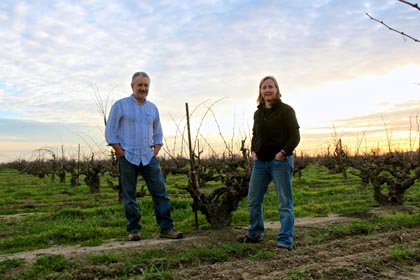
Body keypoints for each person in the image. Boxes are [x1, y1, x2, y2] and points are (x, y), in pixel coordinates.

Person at [105, 71, 183, 241]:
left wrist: (155, 150)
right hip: (128, 156)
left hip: (148, 157)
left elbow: (158, 131)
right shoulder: (120, 105)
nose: (143, 88)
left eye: (146, 85)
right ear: (132, 86)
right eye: (139, 85)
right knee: (129, 195)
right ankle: (134, 230)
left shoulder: (152, 108)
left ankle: (166, 228)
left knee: (160, 192)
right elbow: (110, 130)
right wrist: (120, 152)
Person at [238, 75, 300, 250]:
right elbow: (255, 134)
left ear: (277, 89)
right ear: (260, 91)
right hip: (260, 163)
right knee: (253, 199)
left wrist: (283, 153)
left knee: (284, 202)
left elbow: (295, 136)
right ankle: (255, 233)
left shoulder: (286, 111)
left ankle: (285, 240)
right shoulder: (258, 113)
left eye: (270, 87)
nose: (267, 90)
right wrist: (252, 150)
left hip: (280, 162)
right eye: (264, 87)